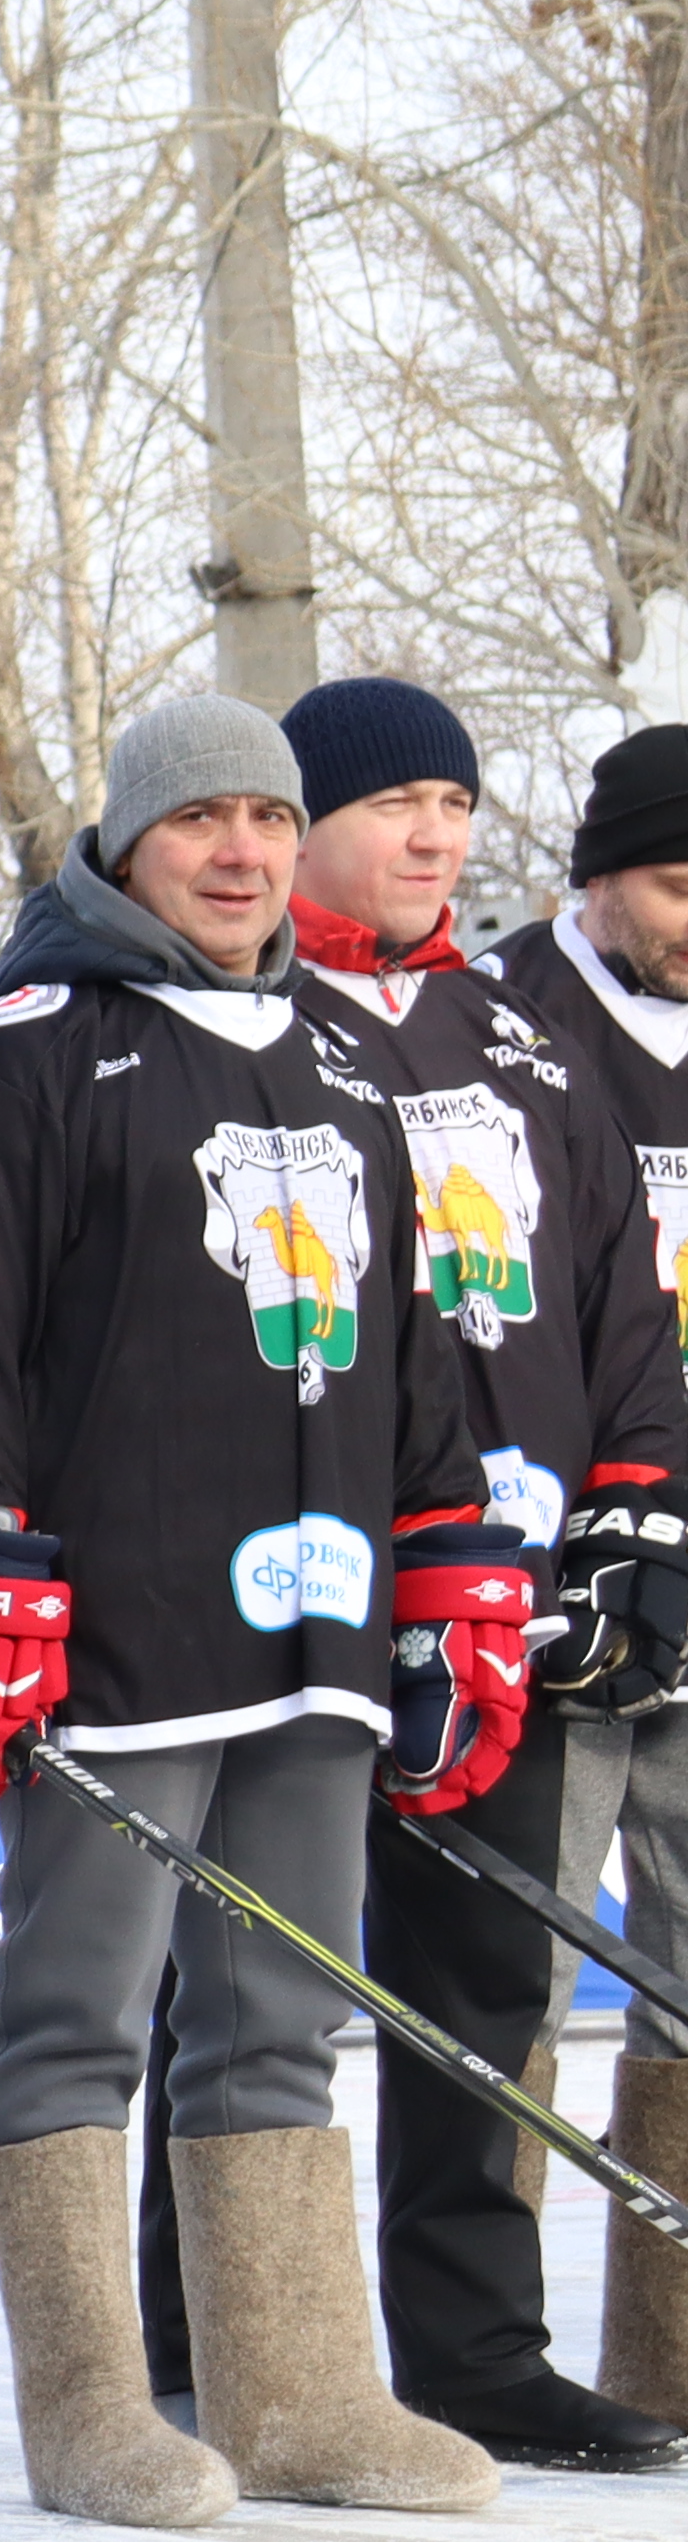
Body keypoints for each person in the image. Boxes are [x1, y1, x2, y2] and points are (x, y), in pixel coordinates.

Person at [0, 691, 513, 2531]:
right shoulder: (23, 1052)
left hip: (317, 1621)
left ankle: (302, 2396)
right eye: (199, 820)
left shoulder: (346, 1057)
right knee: (81, 2003)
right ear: (129, 840)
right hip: (120, 1629)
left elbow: (420, 1342)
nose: (237, 852)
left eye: (262, 816)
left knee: (287, 2005)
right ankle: (89, 2405)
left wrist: (450, 1559)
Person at [284, 680, 688, 2469]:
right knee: (264, 1984)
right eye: (397, 803)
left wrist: (631, 1523)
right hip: (309, 1577)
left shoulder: (501, 1041)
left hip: (537, 1575)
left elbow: (614, 1318)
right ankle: (213, 2345)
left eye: (457, 801)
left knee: (499, 1986)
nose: (434, 835)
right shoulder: (280, 1016)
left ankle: (501, 2354)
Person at [496, 718, 688, 2431]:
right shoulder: (509, 1026)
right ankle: (491, 2346)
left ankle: (675, 2353)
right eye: (681, 882)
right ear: (597, 874)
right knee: (515, 1976)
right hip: (564, 1586)